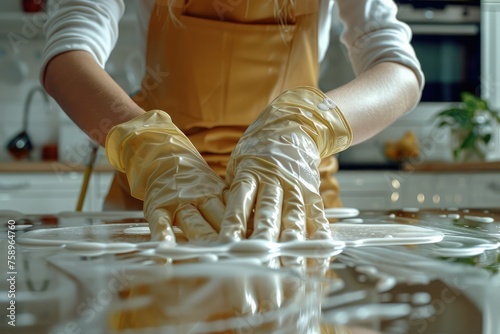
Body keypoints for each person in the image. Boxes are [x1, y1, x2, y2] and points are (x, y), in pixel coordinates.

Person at [41, 0, 424, 244]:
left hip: (293, 193)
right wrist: (149, 148)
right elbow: (68, 51)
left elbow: (399, 72)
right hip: (161, 199)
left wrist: (306, 127)